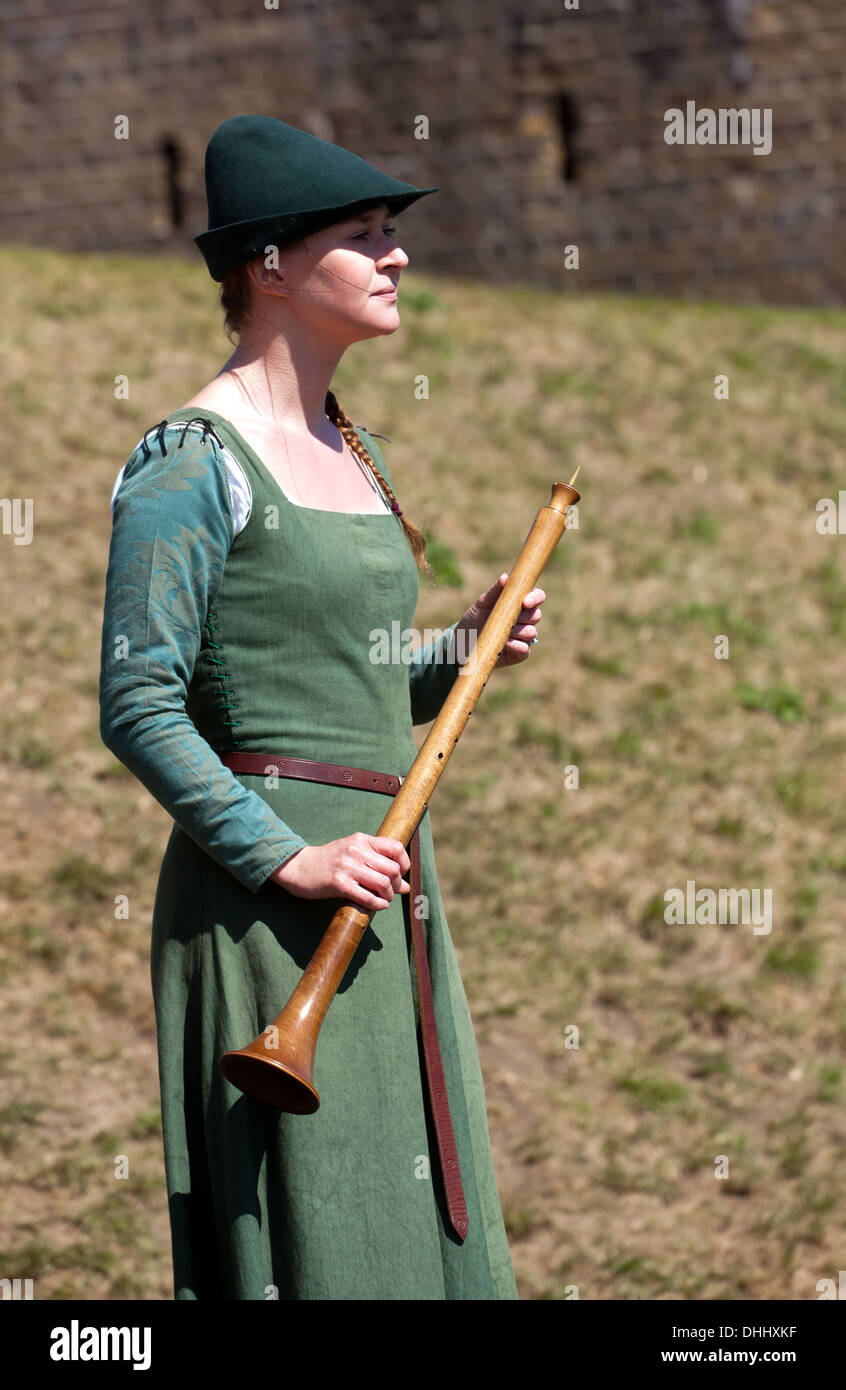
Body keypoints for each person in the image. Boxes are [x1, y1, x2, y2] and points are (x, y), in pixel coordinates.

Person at [99, 114, 546, 1300]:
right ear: (272, 265)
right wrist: (283, 859)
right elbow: (140, 700)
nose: (396, 256)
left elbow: (339, 684)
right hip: (269, 909)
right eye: (364, 235)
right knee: (323, 1244)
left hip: (388, 888)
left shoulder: (357, 448)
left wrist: (460, 649)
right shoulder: (191, 458)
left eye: (394, 233)